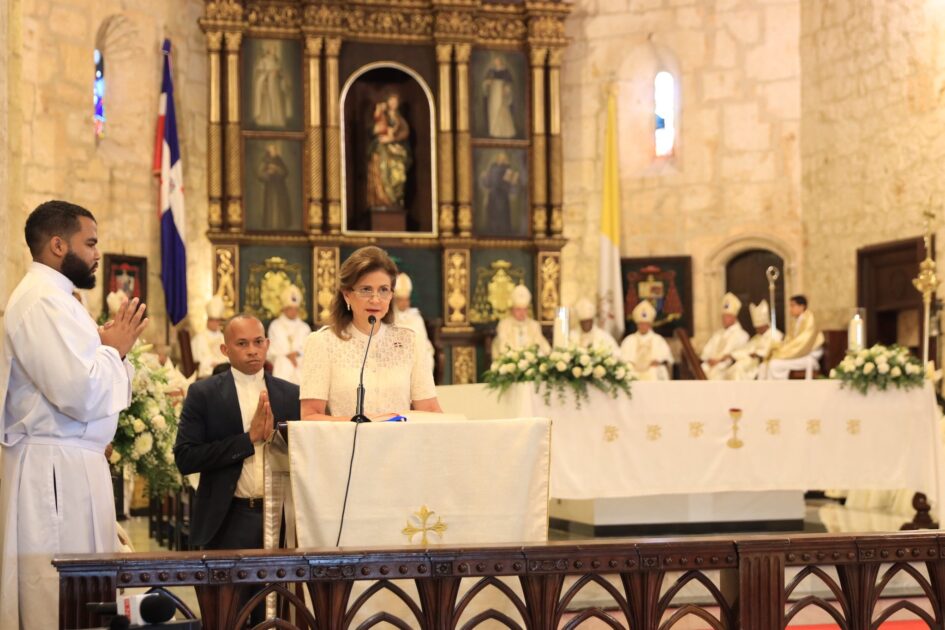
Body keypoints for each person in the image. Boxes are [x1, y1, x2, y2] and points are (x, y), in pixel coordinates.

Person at [0, 200, 148, 628]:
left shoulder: (59, 300)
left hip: (71, 465)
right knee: (55, 597)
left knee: (86, 595)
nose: (98, 253)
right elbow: (79, 393)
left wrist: (109, 348)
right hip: (53, 473)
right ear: (58, 245)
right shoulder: (43, 301)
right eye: (91, 243)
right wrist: (113, 349)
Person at [174, 314, 299, 550]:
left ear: (267, 344)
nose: (252, 350)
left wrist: (277, 440)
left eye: (258, 342)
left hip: (280, 518)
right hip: (227, 519)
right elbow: (185, 458)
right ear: (225, 349)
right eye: (242, 343)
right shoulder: (204, 394)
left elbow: (304, 457)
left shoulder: (291, 395)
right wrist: (248, 440)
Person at [300, 246, 442, 421]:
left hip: (401, 438)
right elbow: (310, 416)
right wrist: (359, 424)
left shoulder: (409, 340)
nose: (375, 299)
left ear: (391, 295)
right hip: (348, 438)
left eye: (383, 290)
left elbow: (429, 410)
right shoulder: (322, 342)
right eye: (366, 289)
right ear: (347, 295)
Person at [367, 92, 412, 210]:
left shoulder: (400, 119)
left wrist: (393, 139)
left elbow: (405, 132)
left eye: (395, 101)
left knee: (398, 175)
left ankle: (396, 199)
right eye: (391, 100)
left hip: (396, 152)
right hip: (382, 150)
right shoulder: (382, 116)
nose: (393, 103)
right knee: (382, 171)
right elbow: (374, 129)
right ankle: (382, 200)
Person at [763, 295, 825, 380]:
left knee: (774, 364)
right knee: (768, 364)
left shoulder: (809, 319)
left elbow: (803, 343)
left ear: (802, 306)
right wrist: (779, 348)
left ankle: (779, 388)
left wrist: (783, 352)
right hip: (799, 354)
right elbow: (789, 341)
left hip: (806, 355)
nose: (790, 309)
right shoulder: (797, 321)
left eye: (792, 305)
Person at [728, 300, 784, 381]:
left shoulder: (775, 334)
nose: (757, 330)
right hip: (750, 362)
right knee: (733, 369)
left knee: (738, 369)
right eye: (756, 328)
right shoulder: (757, 337)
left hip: (761, 362)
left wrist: (757, 353)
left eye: (759, 328)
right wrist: (733, 354)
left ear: (765, 325)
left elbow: (775, 350)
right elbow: (746, 349)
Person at [268, 284, 311, 385]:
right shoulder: (275, 326)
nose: (293, 311)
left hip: (300, 360)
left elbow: (309, 348)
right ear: (284, 308)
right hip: (282, 361)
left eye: (295, 309)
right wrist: (287, 356)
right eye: (290, 308)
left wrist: (298, 354)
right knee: (283, 363)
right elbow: (272, 350)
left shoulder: (305, 327)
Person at [700, 292, 750, 380]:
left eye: (727, 317)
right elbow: (706, 351)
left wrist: (720, 360)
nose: (724, 320)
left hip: (726, 368)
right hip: (711, 365)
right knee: (702, 369)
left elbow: (738, 355)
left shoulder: (742, 335)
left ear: (734, 317)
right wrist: (709, 360)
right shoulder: (718, 334)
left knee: (717, 372)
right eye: (723, 317)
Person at [619, 300, 673, 380]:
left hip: (652, 370)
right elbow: (623, 358)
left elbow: (666, 358)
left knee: (655, 371)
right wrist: (630, 363)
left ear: (650, 324)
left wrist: (657, 361)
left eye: (645, 324)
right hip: (634, 371)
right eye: (641, 324)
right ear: (637, 324)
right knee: (628, 370)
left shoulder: (658, 340)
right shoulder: (629, 340)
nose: (643, 326)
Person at [492, 284, 551, 357]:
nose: (522, 313)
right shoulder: (504, 324)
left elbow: (541, 345)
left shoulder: (534, 325)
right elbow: (503, 346)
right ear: (512, 310)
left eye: (524, 309)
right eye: (518, 309)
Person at [393, 272, 435, 371]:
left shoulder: (416, 319)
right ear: (394, 300)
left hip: (416, 358)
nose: (404, 303)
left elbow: (423, 344)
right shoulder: (388, 318)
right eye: (400, 300)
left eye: (406, 300)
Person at [479, 151, 521, 236]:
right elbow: (488, 183)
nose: (501, 160)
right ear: (497, 159)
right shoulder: (492, 168)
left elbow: (509, 184)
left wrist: (513, 181)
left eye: (503, 158)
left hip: (503, 196)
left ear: (505, 159)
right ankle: (493, 230)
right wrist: (483, 177)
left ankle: (504, 230)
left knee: (503, 214)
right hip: (493, 195)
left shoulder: (508, 169)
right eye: (500, 158)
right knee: (493, 213)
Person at [256, 143, 292, 230]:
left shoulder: (279, 160)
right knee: (271, 206)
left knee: (280, 206)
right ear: (269, 151)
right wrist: (268, 173)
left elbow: (285, 172)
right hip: (270, 188)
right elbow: (260, 174)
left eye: (275, 149)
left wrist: (277, 169)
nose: (275, 151)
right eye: (272, 150)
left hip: (280, 188)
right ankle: (270, 225)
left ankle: (281, 225)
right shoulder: (265, 161)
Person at [191, 295, 227, 378]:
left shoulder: (224, 338)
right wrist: (210, 363)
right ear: (208, 320)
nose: (214, 323)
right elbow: (196, 359)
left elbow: (229, 357)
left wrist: (221, 364)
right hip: (207, 374)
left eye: (217, 320)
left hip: (224, 373)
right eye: (212, 320)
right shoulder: (198, 338)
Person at [482, 54, 516, 138]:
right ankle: (494, 131)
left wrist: (505, 89)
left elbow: (508, 82)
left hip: (500, 91)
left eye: (497, 60)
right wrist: (488, 82)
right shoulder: (491, 70)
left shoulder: (505, 70)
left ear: (500, 61)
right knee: (493, 109)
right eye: (495, 60)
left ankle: (503, 132)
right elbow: (486, 81)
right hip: (493, 91)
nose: (496, 62)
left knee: (501, 108)